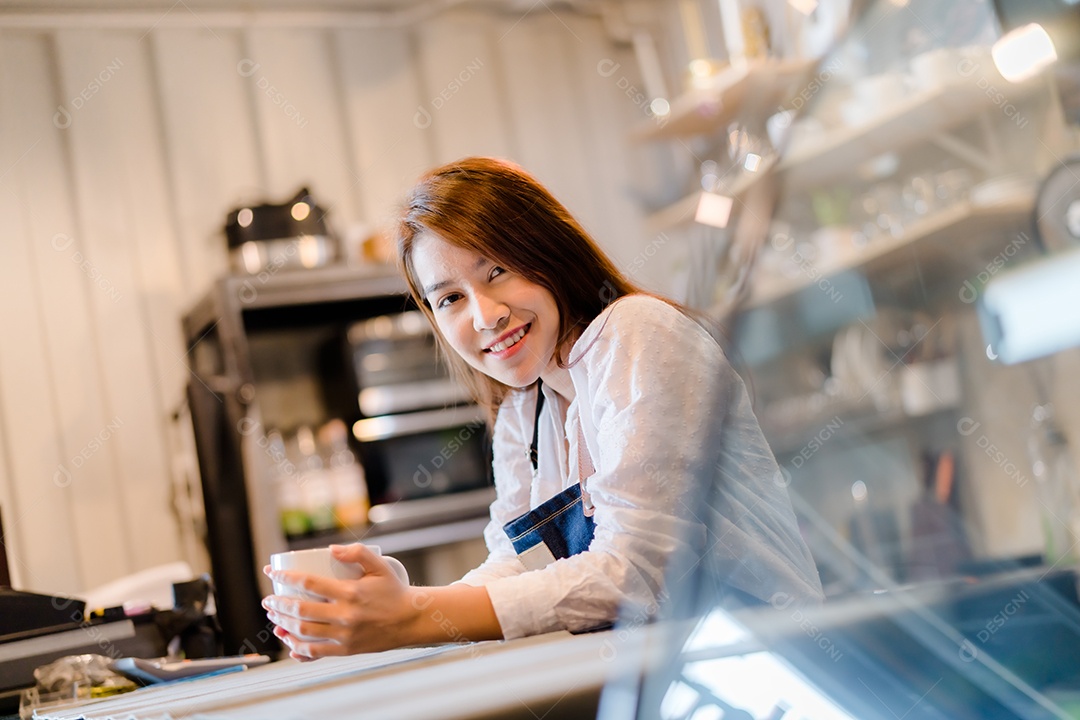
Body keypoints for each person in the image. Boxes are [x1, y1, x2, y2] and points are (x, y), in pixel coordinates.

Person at [262, 157, 823, 659]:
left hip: (764, 664)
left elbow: (639, 572)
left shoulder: (635, 333)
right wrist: (397, 603)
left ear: (548, 252)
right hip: (660, 675)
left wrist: (410, 619)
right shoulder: (523, 410)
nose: (484, 316)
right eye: (450, 298)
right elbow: (518, 563)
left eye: (496, 271)